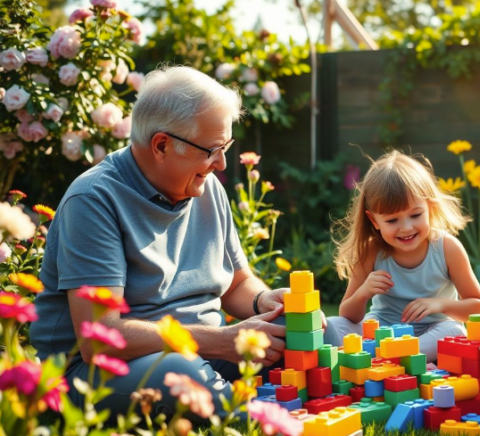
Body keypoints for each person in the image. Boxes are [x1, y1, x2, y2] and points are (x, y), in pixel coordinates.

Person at [30, 66, 288, 419]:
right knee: (181, 373)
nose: (222, 163)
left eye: (226, 147)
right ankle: (259, 414)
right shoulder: (94, 200)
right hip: (99, 375)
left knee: (306, 331)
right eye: (213, 150)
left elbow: (237, 283)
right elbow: (99, 336)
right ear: (162, 145)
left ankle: (272, 403)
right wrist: (223, 341)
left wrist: (264, 302)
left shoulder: (205, 186)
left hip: (206, 353)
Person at [324, 151, 480, 362]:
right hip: (381, 331)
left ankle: (386, 357)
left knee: (455, 333)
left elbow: (479, 307)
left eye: (416, 215)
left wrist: (440, 305)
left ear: (430, 207)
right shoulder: (372, 251)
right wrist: (364, 292)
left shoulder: (447, 248)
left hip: (432, 329)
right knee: (332, 325)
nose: (406, 228)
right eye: (392, 221)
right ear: (374, 221)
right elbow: (348, 314)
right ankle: (393, 356)